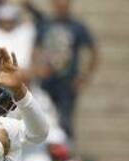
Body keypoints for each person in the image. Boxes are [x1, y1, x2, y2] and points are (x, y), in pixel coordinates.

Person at [31, 0, 98, 138]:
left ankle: (67, 148)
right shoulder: (45, 25)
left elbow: (93, 51)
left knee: (65, 120)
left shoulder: (77, 27)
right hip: (47, 81)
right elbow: (35, 48)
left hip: (67, 82)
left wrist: (85, 76)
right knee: (45, 117)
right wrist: (37, 69)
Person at [0, 3, 36, 68]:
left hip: (20, 70)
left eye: (10, 21)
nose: (7, 24)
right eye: (4, 21)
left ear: (14, 21)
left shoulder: (24, 33)